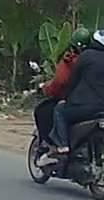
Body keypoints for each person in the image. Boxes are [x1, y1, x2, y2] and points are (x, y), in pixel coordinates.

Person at [39, 29, 104, 166]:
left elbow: (71, 82)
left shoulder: (83, 57)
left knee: (60, 111)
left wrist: (66, 98)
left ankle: (63, 146)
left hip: (84, 106)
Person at [34, 27, 92, 145]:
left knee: (50, 111)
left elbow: (60, 82)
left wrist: (46, 89)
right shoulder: (92, 60)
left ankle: (61, 144)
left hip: (73, 100)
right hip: (93, 103)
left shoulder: (70, 61)